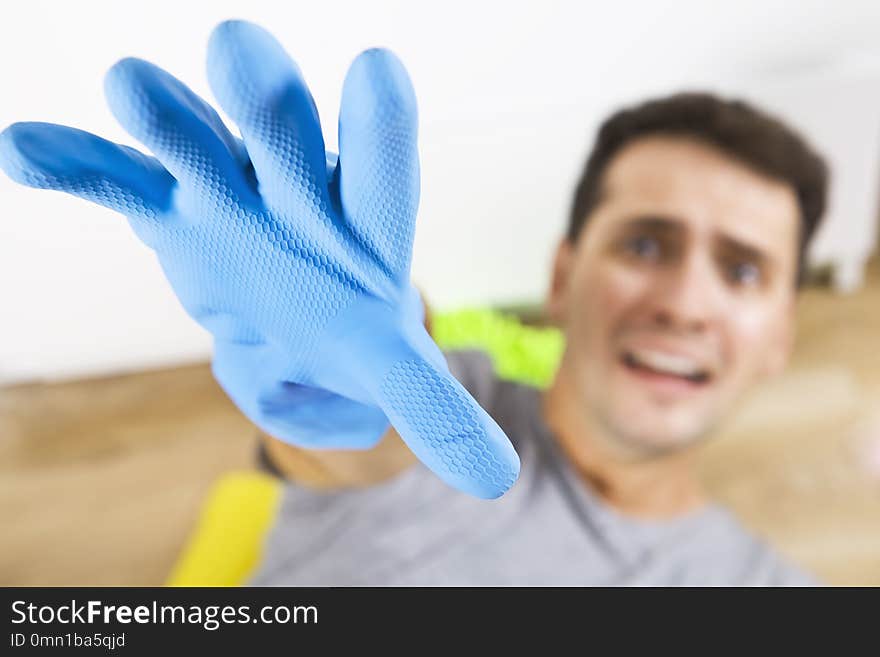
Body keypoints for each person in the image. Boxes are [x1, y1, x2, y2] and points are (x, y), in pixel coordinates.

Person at [0, 21, 827, 585]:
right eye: (644, 244)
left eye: (745, 270)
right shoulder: (443, 410)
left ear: (782, 335)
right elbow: (373, 433)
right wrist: (334, 381)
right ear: (562, 278)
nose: (684, 300)